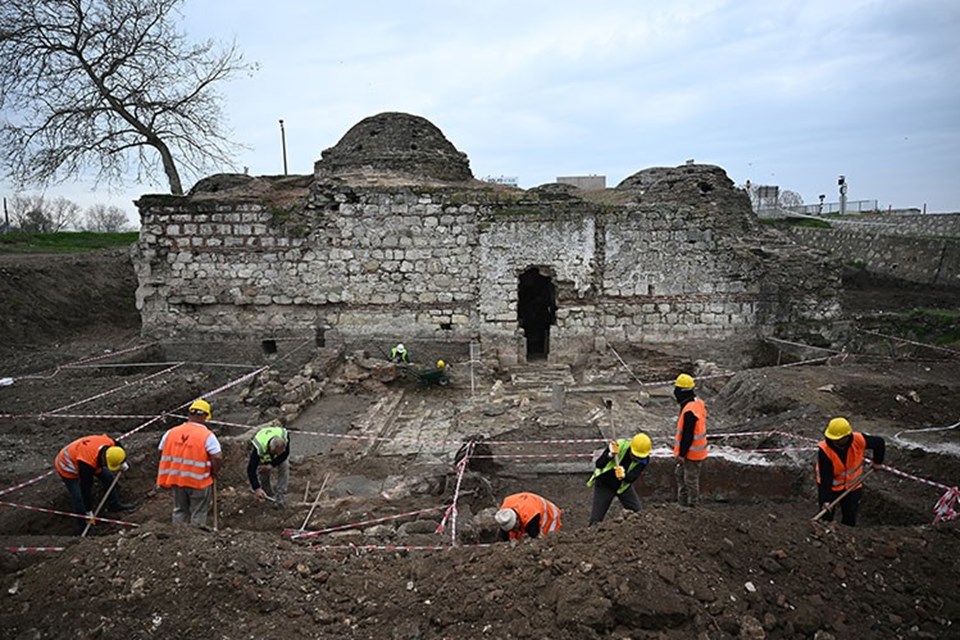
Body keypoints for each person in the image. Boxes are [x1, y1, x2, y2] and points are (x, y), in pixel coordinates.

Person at [156, 399, 222, 527]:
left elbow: (161, 450)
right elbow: (217, 457)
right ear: (204, 416)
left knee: (180, 510)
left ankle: (179, 537)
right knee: (198, 511)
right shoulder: (207, 435)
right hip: (199, 481)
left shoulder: (171, 432)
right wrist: (214, 471)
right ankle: (195, 540)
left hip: (177, 479)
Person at [54, 434, 132, 533]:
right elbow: (86, 488)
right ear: (104, 459)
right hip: (67, 465)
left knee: (108, 477)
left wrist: (122, 461)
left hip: (85, 454)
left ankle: (114, 505)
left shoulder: (109, 443)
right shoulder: (87, 465)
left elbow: (118, 445)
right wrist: (88, 510)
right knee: (78, 498)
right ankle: (83, 526)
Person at [816, 417, 885, 526]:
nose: (835, 442)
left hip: (853, 486)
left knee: (850, 515)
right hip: (831, 487)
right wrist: (826, 500)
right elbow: (826, 477)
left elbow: (879, 443)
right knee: (826, 517)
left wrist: (877, 462)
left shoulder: (858, 440)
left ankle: (847, 534)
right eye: (833, 439)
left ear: (847, 436)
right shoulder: (825, 451)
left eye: (838, 439)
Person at [587, 432, 652, 524]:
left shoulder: (644, 459)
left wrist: (624, 476)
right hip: (605, 484)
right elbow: (599, 464)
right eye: (635, 456)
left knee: (639, 515)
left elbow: (633, 477)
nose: (636, 459)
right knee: (596, 520)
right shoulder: (619, 445)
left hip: (623, 487)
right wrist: (610, 455)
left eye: (639, 457)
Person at [673, 373, 708, 507]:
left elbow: (688, 434)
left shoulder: (690, 410)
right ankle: (682, 505)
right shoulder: (697, 403)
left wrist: (681, 454)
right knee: (680, 476)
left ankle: (693, 507)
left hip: (692, 453)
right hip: (692, 451)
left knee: (690, 481)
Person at [247, 425, 290, 508]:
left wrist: (272, 465)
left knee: (284, 466)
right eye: (275, 453)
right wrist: (256, 488)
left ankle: (280, 494)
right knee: (263, 470)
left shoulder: (284, 436)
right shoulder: (259, 447)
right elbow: (251, 469)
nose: (276, 455)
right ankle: (266, 492)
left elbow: (285, 454)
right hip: (264, 453)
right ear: (270, 449)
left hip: (277, 451)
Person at [495, 492, 562, 541]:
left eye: (514, 527)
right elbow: (504, 535)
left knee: (546, 539)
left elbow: (534, 537)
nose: (514, 530)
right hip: (526, 505)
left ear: (517, 520)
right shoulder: (504, 516)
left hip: (547, 513)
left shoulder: (531, 517)